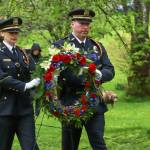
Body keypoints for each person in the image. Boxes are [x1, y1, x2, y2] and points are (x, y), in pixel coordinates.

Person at [53, 8, 115, 150]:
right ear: (72, 24)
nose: (85, 27)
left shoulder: (96, 46)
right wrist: (90, 78)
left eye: (87, 24)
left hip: (95, 103)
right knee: (70, 145)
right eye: (81, 23)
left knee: (99, 143)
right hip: (71, 102)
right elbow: (64, 74)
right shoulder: (60, 46)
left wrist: (100, 74)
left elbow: (110, 69)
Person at [0, 17, 40, 150]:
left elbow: (35, 71)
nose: (14, 35)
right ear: (2, 33)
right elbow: (2, 78)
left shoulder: (22, 53)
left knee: (31, 147)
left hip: (24, 109)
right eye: (11, 32)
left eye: (16, 32)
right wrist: (25, 85)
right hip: (5, 110)